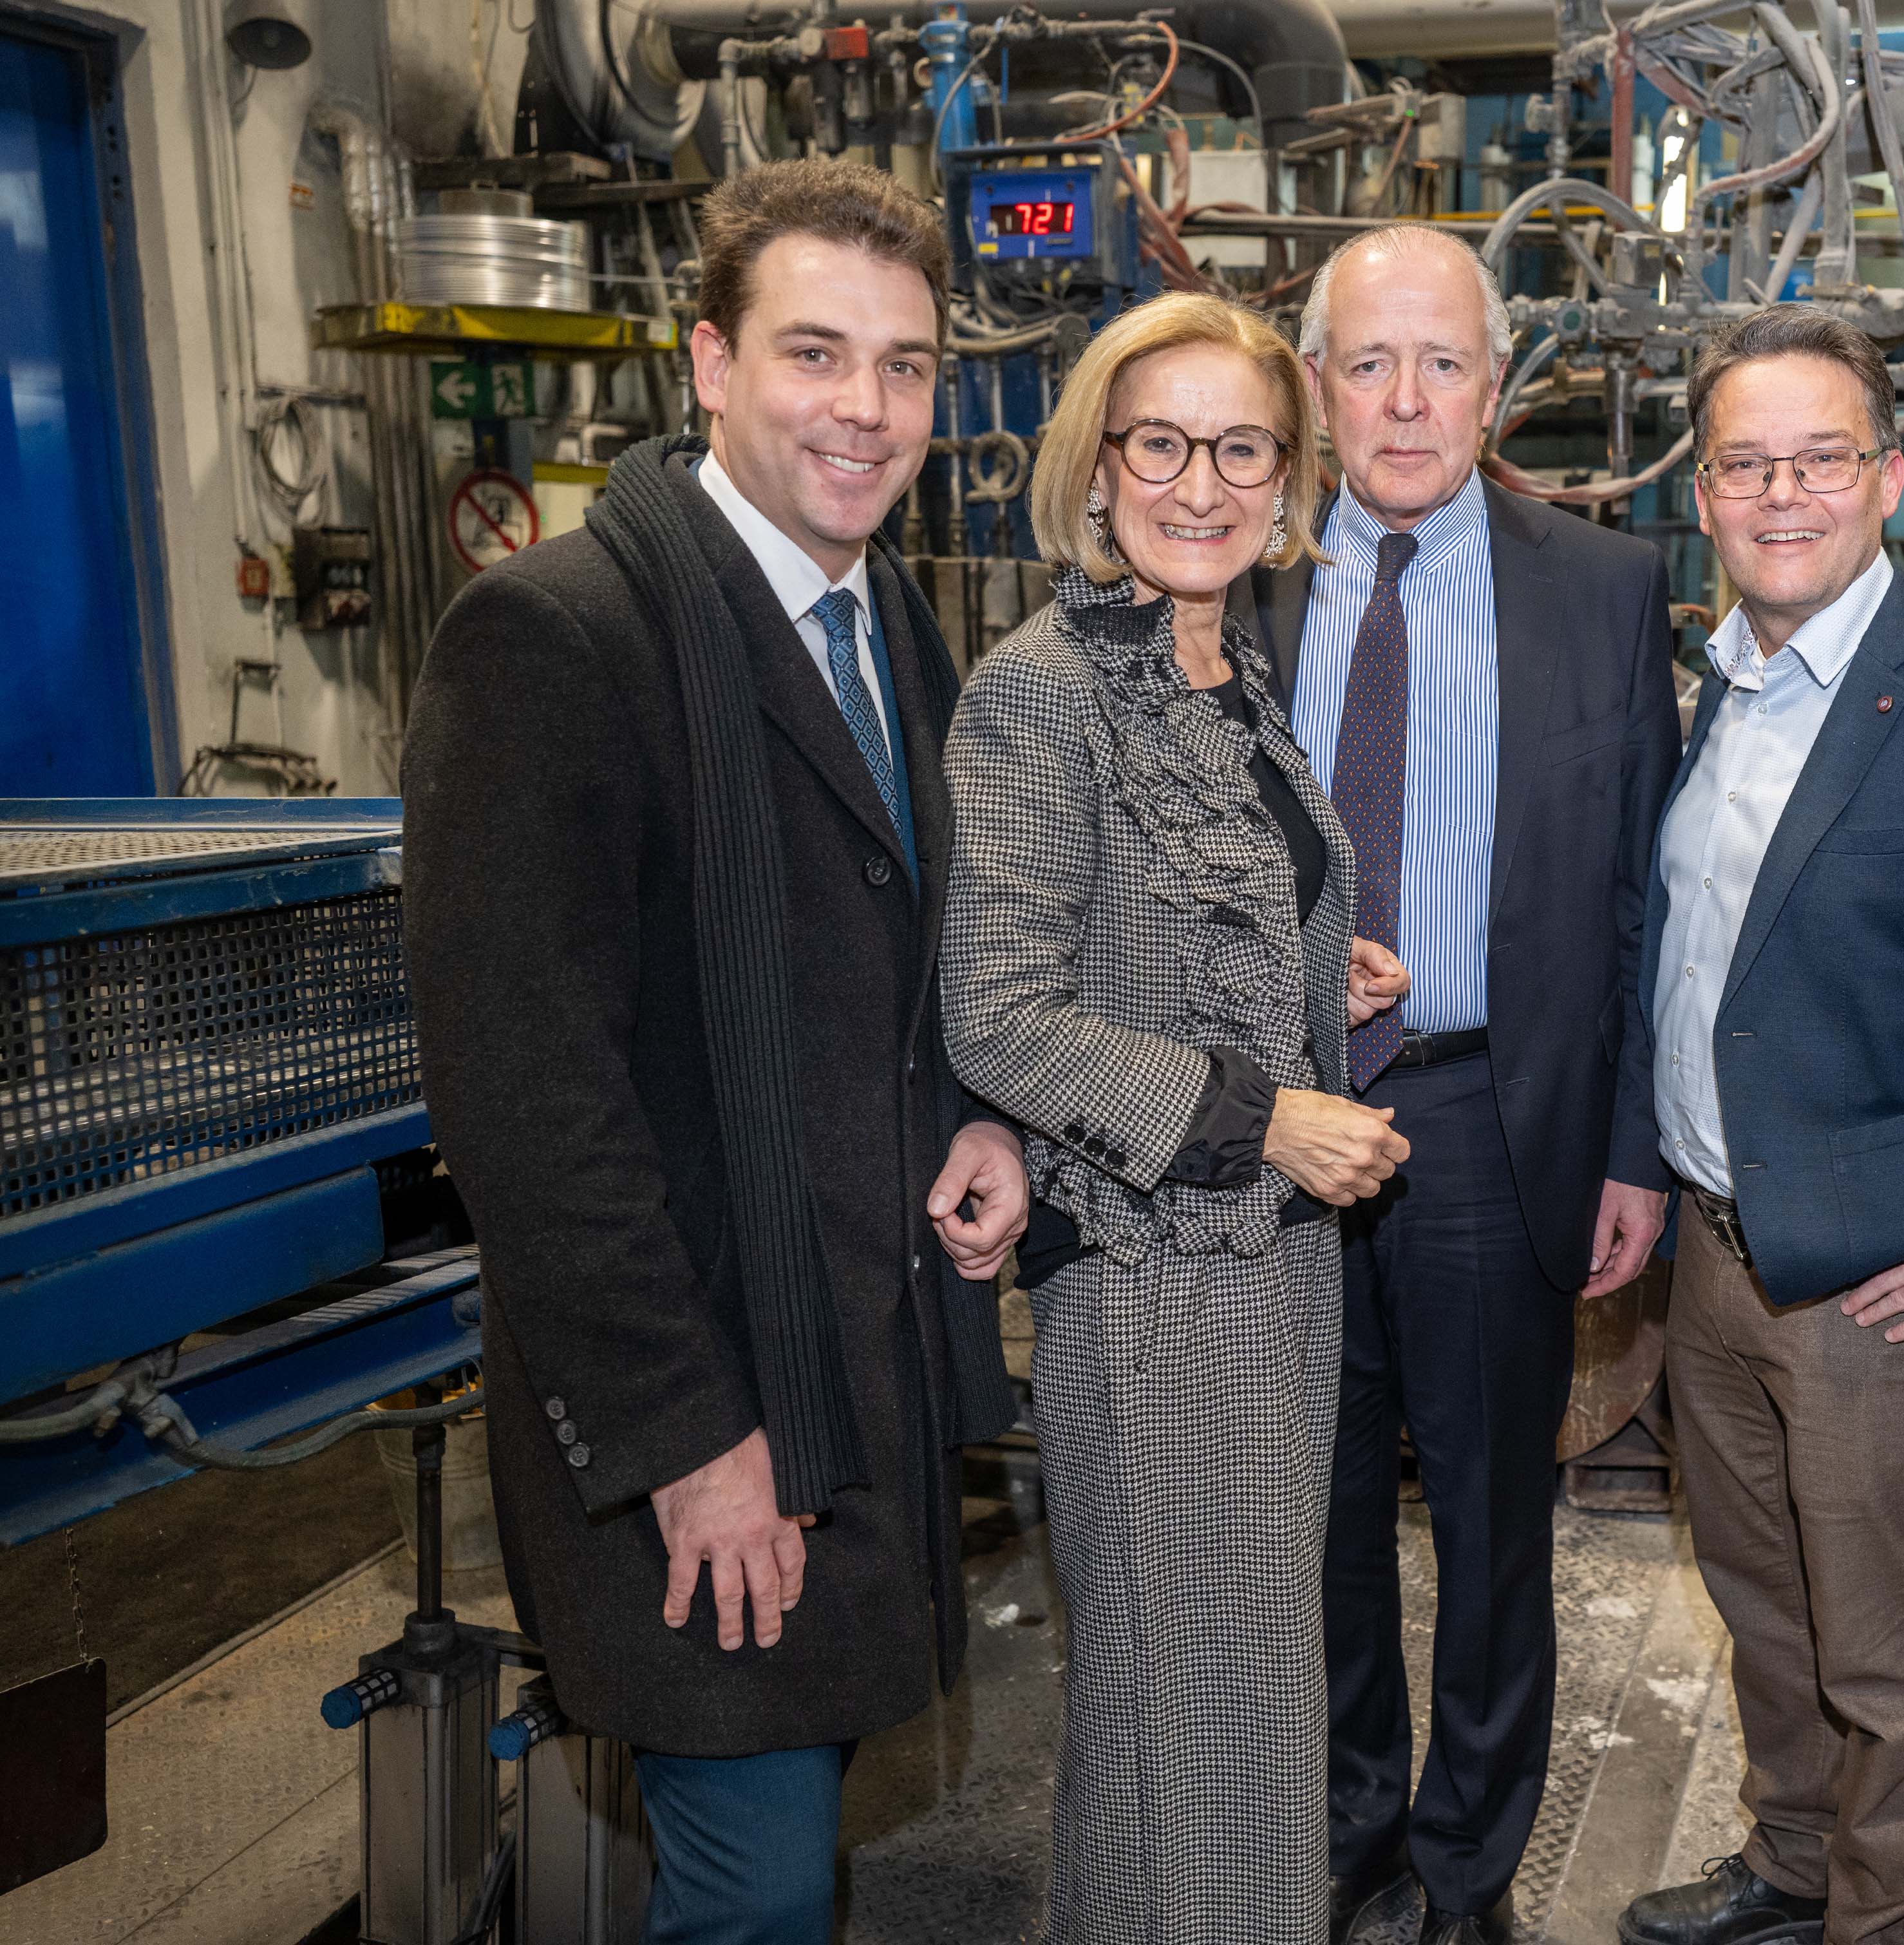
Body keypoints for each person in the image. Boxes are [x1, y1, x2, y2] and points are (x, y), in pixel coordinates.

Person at [401, 158, 1030, 1941]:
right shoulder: (556, 635)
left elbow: (893, 961)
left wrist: (977, 1116)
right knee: (750, 1892)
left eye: (903, 366)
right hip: (707, 1412)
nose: (864, 409)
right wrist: (689, 1438)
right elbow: (527, 1102)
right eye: (813, 353)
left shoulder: (885, 622)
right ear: (707, 363)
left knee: (778, 1872)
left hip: (857, 1374)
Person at [938, 290, 1413, 1944]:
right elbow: (998, 1012)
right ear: (1096, 467)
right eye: (1161, 444)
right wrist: (1269, 1117)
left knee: (1241, 1716)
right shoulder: (1043, 690)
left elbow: (1155, 927)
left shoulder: (1219, 668)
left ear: (1287, 484)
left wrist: (1307, 959)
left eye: (1241, 450)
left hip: (1268, 1278)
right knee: (1184, 1723)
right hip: (1150, 1286)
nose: (1200, 484)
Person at [1230, 224, 1683, 1945]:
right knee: (1319, 1516)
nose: (1406, 399)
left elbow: (1640, 894)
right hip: (1274, 1127)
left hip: (1491, 1120)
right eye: (1369, 363)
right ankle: (1350, 1834)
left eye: (1441, 363)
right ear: (1316, 385)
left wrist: (1630, 1145)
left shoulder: (1601, 588)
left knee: (1494, 1529)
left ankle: (1469, 1868)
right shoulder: (1235, 583)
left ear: (1494, 387)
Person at [1614, 312, 1904, 1945]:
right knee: (1760, 1603)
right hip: (1713, 1252)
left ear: (1888, 477)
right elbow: (1679, 959)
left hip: (1875, 1283)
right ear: (1702, 495)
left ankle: (1884, 1924)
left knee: (1886, 1650)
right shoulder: (1716, 684)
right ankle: (1794, 1866)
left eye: (1820, 459)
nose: (1780, 494)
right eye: (1745, 464)